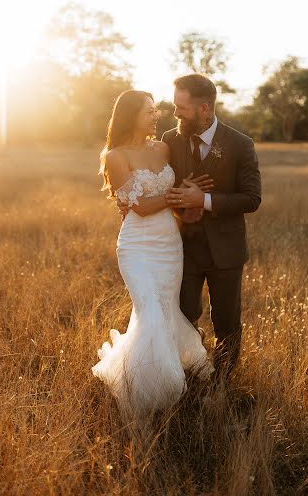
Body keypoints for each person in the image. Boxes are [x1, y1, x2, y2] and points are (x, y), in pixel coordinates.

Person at [91, 90, 214, 422]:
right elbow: (141, 208)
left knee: (165, 309)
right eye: (149, 110)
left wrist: (185, 197)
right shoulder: (115, 156)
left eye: (156, 108)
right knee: (150, 311)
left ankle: (158, 377)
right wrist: (177, 195)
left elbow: (165, 193)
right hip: (137, 247)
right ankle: (147, 391)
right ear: (130, 114)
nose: (156, 114)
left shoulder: (162, 147)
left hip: (169, 245)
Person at [162, 73, 262, 382]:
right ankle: (191, 375)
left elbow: (251, 198)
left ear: (205, 109)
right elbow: (165, 189)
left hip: (226, 252)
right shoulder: (169, 140)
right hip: (184, 248)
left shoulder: (240, 145)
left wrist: (202, 199)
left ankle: (222, 384)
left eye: (182, 107)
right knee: (184, 316)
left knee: (227, 322)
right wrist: (182, 206)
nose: (175, 112)